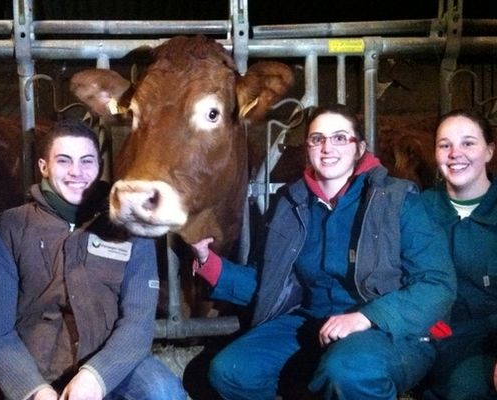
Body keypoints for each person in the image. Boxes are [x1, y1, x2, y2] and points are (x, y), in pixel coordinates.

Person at [189, 104, 457, 400]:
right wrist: (209, 262)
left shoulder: (397, 199)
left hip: (389, 328)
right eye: (318, 139)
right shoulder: (291, 203)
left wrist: (365, 318)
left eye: (340, 138)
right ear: (308, 148)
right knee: (232, 371)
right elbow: (270, 283)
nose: (327, 147)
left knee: (349, 370)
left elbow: (437, 285)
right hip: (312, 321)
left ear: (360, 148)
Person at [0, 119, 185, 400]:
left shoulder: (126, 226)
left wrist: (96, 377)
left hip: (113, 363)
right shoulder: (12, 227)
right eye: (64, 161)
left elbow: (138, 323)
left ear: (99, 166)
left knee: (162, 391)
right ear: (44, 167)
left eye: (87, 161)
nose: (77, 172)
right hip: (38, 370)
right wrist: (33, 390)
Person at [421, 109, 497, 400]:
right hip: (436, 338)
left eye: (468, 143)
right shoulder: (417, 209)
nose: (455, 153)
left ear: (489, 151)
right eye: (445, 145)